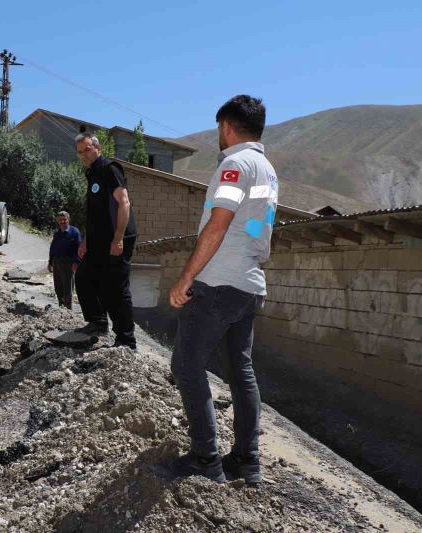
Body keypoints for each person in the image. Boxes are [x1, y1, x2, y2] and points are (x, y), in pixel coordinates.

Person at [169, 95, 277, 484]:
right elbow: (252, 227)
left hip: (218, 282)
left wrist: (185, 279)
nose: (219, 136)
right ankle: (246, 462)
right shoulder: (267, 170)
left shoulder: (235, 164)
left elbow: (219, 223)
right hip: (248, 283)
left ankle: (205, 459)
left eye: (219, 129)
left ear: (227, 127)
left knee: (185, 366)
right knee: (241, 372)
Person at [74, 133, 137, 349]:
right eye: (80, 152)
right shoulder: (91, 173)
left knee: (115, 289)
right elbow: (94, 212)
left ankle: (126, 340)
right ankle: (98, 322)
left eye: (87, 149)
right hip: (98, 240)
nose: (84, 155)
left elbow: (124, 203)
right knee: (84, 278)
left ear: (97, 148)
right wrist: (85, 240)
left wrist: (118, 238)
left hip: (117, 238)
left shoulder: (110, 169)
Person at [48, 211, 81, 309]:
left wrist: (76, 262)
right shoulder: (57, 233)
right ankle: (61, 305)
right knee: (58, 286)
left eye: (64, 220)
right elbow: (52, 248)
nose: (62, 222)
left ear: (68, 220)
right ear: (58, 221)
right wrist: (50, 262)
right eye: (60, 220)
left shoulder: (75, 232)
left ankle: (68, 308)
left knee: (67, 286)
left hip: (68, 262)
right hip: (57, 261)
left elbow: (79, 249)